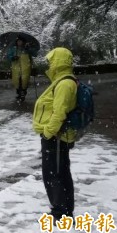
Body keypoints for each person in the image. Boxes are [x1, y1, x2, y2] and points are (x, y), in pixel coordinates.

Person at [32, 47, 77, 221]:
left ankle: (61, 213)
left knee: (54, 174)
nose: (49, 63)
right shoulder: (62, 80)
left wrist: (47, 132)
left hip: (56, 137)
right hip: (58, 136)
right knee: (59, 172)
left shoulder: (65, 83)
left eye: (52, 60)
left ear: (59, 61)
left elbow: (60, 113)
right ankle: (62, 209)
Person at [7, 36, 34, 102]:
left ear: (23, 42)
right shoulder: (13, 49)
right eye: (18, 41)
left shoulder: (26, 49)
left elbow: (34, 54)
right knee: (17, 80)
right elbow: (9, 56)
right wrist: (13, 58)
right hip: (16, 67)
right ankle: (19, 93)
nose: (19, 42)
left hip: (25, 67)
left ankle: (23, 93)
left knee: (24, 80)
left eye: (20, 41)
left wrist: (29, 49)